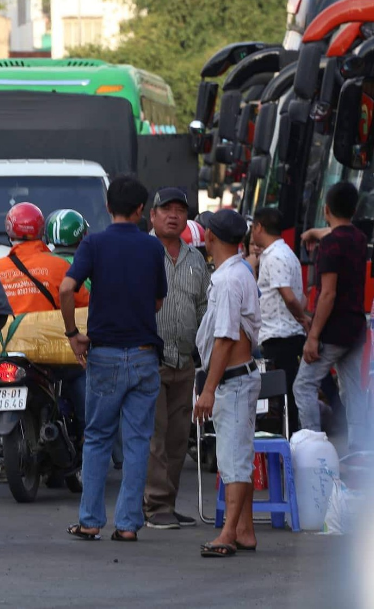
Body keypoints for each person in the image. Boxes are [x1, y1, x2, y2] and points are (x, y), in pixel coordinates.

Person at [61, 175, 166, 542]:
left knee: (97, 437)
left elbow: (66, 288)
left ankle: (90, 520)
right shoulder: (153, 249)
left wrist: (74, 334)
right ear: (142, 211)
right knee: (138, 441)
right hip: (142, 355)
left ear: (108, 207)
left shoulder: (93, 244)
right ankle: (127, 525)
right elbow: (157, 302)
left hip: (103, 355)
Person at [0, 203, 88, 497]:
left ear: (9, 232)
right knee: (80, 389)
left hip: (4, 354)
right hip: (51, 356)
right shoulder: (60, 267)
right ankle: (91, 453)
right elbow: (86, 305)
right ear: (40, 231)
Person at [192, 208, 262, 558]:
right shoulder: (238, 272)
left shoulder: (229, 279)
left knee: (233, 461)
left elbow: (225, 338)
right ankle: (244, 530)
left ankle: (229, 532)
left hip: (232, 381)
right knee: (237, 457)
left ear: (209, 238)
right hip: (237, 379)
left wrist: (207, 389)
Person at [143, 187, 210, 530]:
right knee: (154, 435)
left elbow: (203, 308)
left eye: (180, 210)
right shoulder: (141, 251)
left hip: (184, 361)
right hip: (149, 358)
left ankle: (166, 501)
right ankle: (154, 505)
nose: (173, 215)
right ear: (152, 216)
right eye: (165, 209)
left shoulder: (195, 259)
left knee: (178, 437)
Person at [293, 182, 368, 450]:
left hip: (333, 331)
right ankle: (360, 448)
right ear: (354, 209)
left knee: (303, 386)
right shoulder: (359, 239)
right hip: (356, 329)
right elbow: (340, 232)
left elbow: (327, 295)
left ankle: (314, 450)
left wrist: (313, 337)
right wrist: (316, 231)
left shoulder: (330, 246)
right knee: (354, 389)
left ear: (325, 209)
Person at [250, 207, 310, 432]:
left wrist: (301, 317)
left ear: (259, 227)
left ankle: (288, 442)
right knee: (288, 399)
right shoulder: (286, 254)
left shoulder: (275, 257)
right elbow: (299, 296)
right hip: (286, 335)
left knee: (281, 402)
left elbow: (289, 296)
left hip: (279, 337)